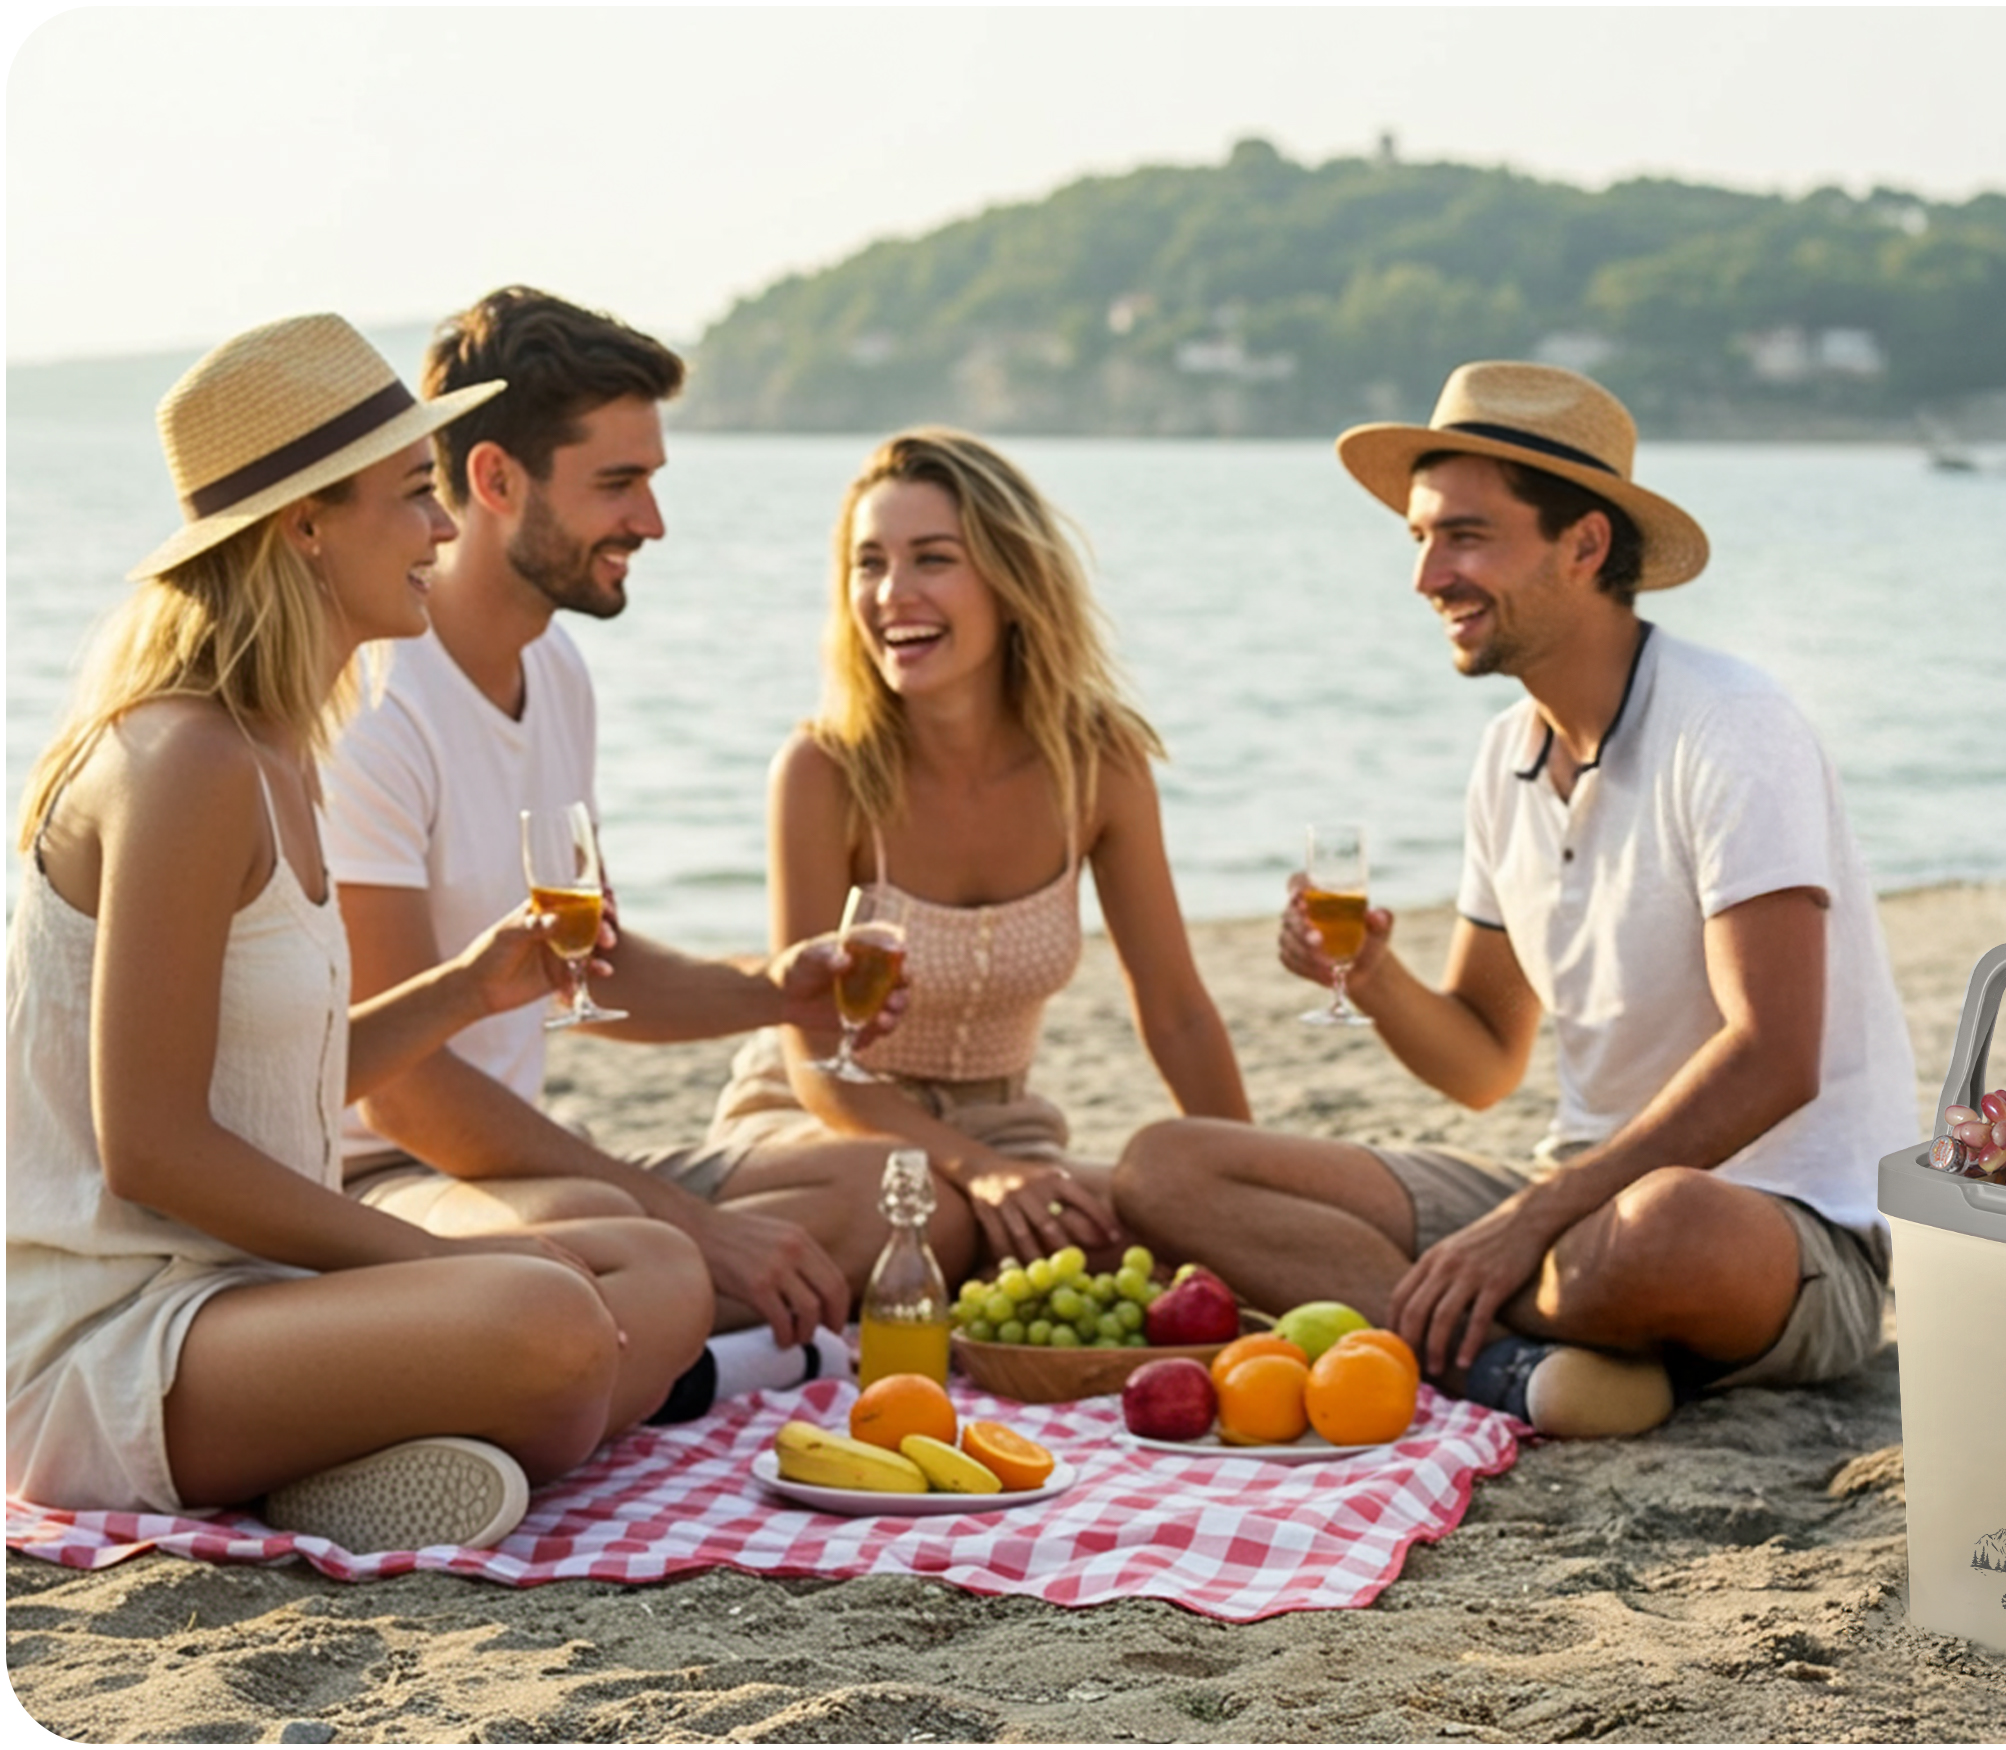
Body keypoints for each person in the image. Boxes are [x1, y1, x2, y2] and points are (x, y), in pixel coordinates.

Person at [6, 314, 717, 1553]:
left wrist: (463, 987)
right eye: (413, 495)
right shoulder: (184, 758)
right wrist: (408, 1265)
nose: (444, 530)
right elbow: (154, 1150)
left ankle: (370, 1450)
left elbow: (263, 1086)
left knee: (658, 1268)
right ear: (305, 525)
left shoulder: (281, 746)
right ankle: (381, 1433)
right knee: (545, 1320)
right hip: (116, 1337)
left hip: (245, 1300)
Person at [1112, 362, 1918, 1438]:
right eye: (1420, 540)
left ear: (1583, 546)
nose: (1427, 578)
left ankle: (1443, 1324)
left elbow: (1775, 1055)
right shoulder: (1507, 756)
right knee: (1166, 1164)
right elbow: (1485, 1057)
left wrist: (1524, 1221)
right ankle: (1507, 1360)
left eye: (1465, 537)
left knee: (1657, 1229)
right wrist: (1373, 974)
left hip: (1776, 1229)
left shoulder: (1732, 726)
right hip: (1567, 1206)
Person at [323, 289, 889, 1404]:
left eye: (652, 482)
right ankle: (688, 1360)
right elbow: (399, 1092)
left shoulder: (558, 676)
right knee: (646, 1252)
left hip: (527, 1169)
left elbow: (596, 966)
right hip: (379, 1179)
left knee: (884, 1186)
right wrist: (689, 1222)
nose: (652, 522)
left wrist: (780, 994)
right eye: (619, 484)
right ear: (494, 480)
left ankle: (676, 1359)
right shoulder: (378, 704)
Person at [700, 427, 1251, 1275]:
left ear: (1009, 578)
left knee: (1140, 1224)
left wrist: (1241, 1190)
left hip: (1005, 1126)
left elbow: (1176, 1010)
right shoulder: (822, 771)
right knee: (913, 1209)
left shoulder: (1098, 763)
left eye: (932, 559)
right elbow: (813, 1057)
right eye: (869, 562)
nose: (892, 593)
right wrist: (976, 1173)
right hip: (833, 1128)